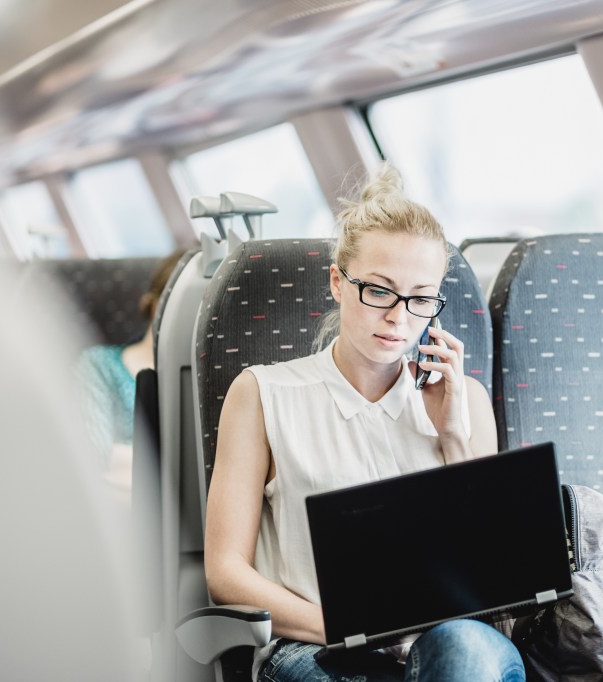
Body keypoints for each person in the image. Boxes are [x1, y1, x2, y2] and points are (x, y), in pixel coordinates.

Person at [204, 164, 526, 682]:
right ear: (338, 282)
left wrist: (454, 440)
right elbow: (226, 572)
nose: (400, 317)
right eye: (379, 291)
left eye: (421, 297)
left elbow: (488, 580)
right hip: (317, 644)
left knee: (467, 651)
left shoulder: (463, 400)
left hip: (444, 643)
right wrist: (347, 626)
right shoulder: (263, 393)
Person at [75, 249, 187, 499]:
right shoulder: (99, 365)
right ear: (157, 304)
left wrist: (126, 456)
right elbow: (95, 457)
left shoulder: (213, 381)